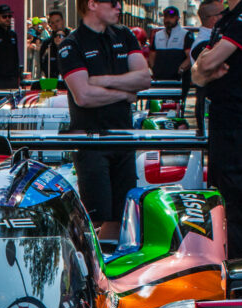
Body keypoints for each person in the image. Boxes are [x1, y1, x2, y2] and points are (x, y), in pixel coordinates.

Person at [59, 0, 151, 239]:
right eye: (113, 2)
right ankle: (88, 267)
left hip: (123, 139)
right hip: (91, 141)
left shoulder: (125, 35)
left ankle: (109, 266)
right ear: (92, 4)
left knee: (121, 215)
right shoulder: (72, 44)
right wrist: (124, 94)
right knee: (95, 216)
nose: (119, 7)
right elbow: (84, 95)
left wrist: (102, 81)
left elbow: (144, 78)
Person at [192, 0, 242, 258]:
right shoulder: (227, 17)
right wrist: (205, 67)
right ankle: (226, 265)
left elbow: (207, 63)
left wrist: (205, 66)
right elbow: (199, 71)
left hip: (240, 119)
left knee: (237, 202)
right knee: (220, 199)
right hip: (222, 117)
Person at [189, 0, 225, 129]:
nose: (226, 16)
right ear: (213, 19)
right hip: (208, 101)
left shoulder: (212, 38)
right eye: (223, 13)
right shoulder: (203, 43)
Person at [150, 6, 193, 82]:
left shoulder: (185, 34)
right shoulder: (157, 35)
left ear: (177, 18)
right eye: (166, 17)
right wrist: (155, 70)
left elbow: (190, 56)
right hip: (159, 79)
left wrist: (181, 70)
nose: (168, 20)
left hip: (178, 80)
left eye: (171, 17)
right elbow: (152, 55)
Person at [39, 10, 70, 79]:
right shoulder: (47, 43)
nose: (56, 24)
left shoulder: (73, 40)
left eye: (57, 21)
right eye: (52, 23)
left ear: (63, 21)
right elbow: (42, 62)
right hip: (52, 79)